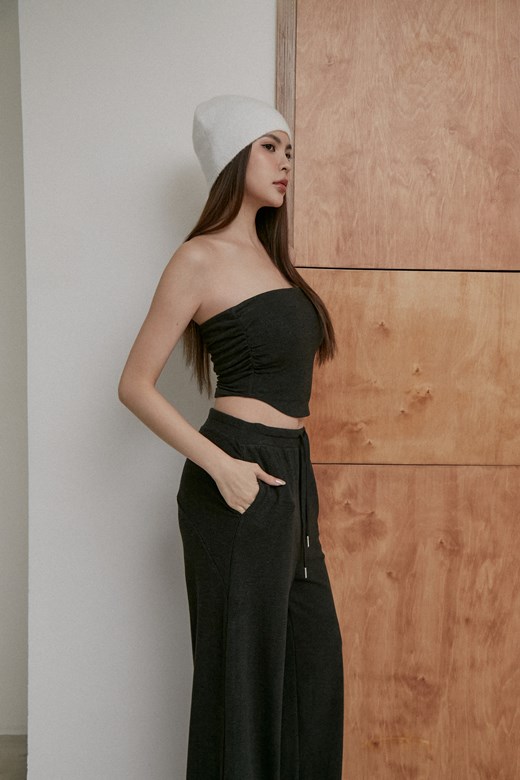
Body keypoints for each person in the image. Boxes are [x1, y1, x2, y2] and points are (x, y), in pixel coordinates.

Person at [118, 94, 343, 779]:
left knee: (311, 673)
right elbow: (134, 384)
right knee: (240, 684)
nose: (285, 162)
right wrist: (222, 467)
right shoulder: (199, 258)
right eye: (269, 147)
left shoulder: (274, 262)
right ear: (231, 157)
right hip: (235, 476)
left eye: (289, 150)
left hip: (291, 474)